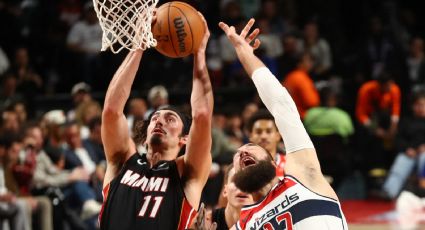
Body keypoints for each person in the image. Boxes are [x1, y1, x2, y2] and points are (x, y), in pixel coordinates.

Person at [219, 19, 348, 229]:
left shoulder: (303, 175)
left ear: (273, 164)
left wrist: (246, 55)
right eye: (238, 154)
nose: (242, 152)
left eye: (250, 148)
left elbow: (281, 103)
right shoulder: (241, 225)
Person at [99, 13, 213, 230]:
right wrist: (140, 44)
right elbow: (112, 110)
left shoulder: (186, 173)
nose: (160, 121)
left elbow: (202, 116)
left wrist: (199, 55)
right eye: (155, 118)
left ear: (184, 139)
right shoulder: (123, 161)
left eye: (170, 119)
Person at [245, 109, 285, 178]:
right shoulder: (243, 166)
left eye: (269, 131)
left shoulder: (290, 164)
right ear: (250, 136)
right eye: (258, 132)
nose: (263, 136)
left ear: (278, 136)